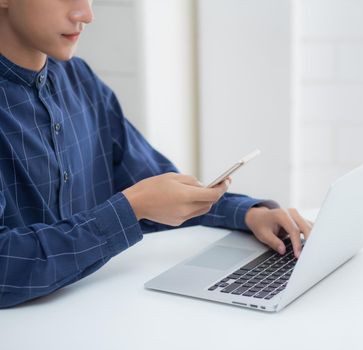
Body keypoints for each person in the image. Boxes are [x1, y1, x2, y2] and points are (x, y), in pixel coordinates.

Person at [0, 0, 312, 308]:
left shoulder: (79, 80)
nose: (86, 14)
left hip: (98, 314)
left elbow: (150, 182)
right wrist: (132, 207)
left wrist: (248, 213)